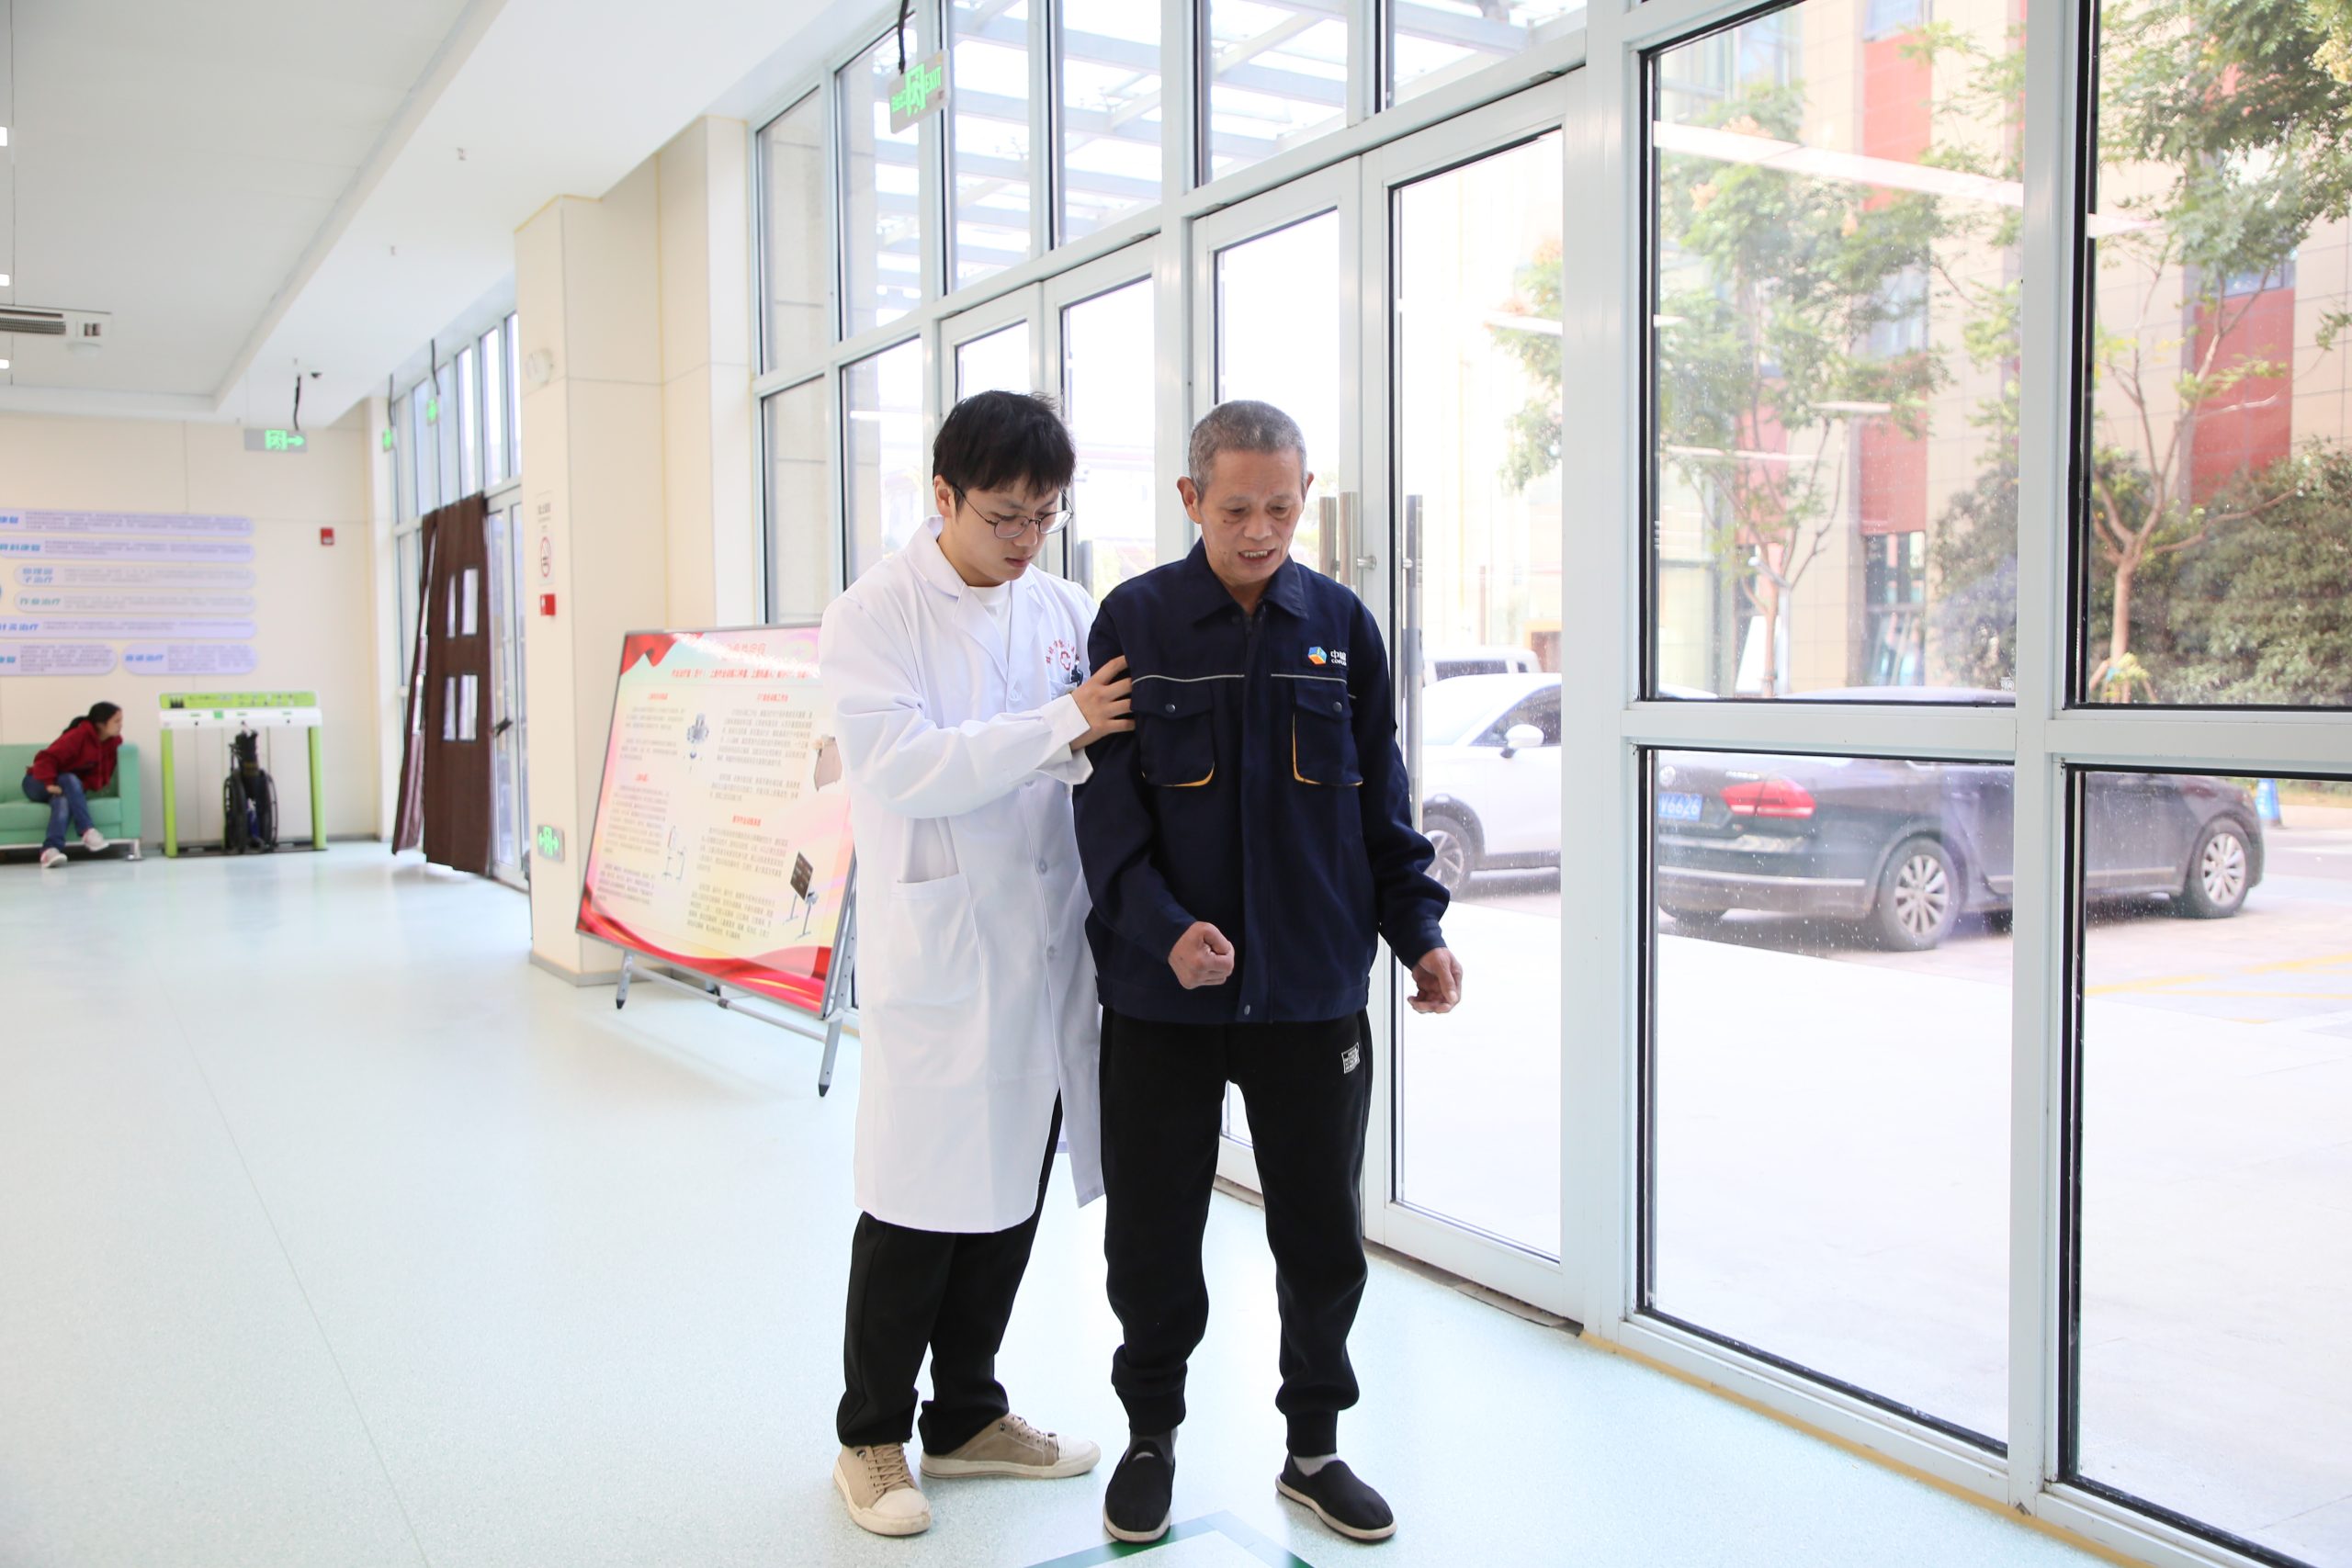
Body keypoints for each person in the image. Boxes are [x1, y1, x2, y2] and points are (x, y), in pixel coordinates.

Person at [1074, 400, 1464, 1546]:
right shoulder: (1134, 621)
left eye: (1282, 509)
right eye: (1236, 508)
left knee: (1321, 1233)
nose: (1259, 531)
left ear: (1305, 499)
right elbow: (1104, 818)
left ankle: (1313, 1451)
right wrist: (1162, 931)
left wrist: (1419, 932)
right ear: (1189, 499)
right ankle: (1151, 1438)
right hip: (1164, 998)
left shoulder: (1340, 626)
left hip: (1310, 992)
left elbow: (1383, 807)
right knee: (1153, 1233)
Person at [816, 390, 1134, 1539]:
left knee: (1009, 1195)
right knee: (915, 1205)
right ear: (943, 495)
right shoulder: (874, 613)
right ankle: (869, 1436)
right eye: (1004, 516)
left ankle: (965, 1417)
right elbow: (904, 767)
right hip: (943, 954)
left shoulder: (1065, 607)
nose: (1026, 538)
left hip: (1044, 950)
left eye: (1045, 516)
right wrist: (1058, 726)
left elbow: (1103, 751)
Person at [21, 702, 125, 871]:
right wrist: (49, 783)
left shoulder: (114, 742)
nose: (121, 725)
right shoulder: (78, 735)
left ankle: (49, 851)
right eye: (116, 721)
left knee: (62, 801)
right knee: (69, 778)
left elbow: (99, 775)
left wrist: (76, 789)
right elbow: (45, 758)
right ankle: (87, 830)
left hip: (65, 787)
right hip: (37, 781)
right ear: (101, 724)